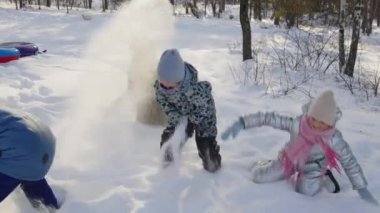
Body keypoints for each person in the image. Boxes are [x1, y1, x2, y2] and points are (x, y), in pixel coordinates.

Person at [221, 90, 378, 205]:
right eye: (314, 118)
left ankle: (325, 175)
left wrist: (361, 187)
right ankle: (266, 164)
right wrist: (242, 123)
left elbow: (349, 161)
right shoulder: (297, 124)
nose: (316, 124)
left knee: (306, 192)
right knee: (258, 177)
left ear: (330, 123)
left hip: (314, 166)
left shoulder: (333, 138)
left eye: (322, 122)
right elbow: (269, 118)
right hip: (289, 159)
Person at [154, 48, 221, 173]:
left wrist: (191, 120)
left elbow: (204, 108)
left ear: (179, 81)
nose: (166, 89)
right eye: (163, 85)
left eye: (171, 86)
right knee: (168, 142)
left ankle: (211, 157)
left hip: (204, 119)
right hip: (180, 115)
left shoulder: (195, 90)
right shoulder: (160, 89)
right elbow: (165, 104)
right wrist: (177, 117)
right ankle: (168, 171)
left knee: (208, 156)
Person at [0, 108, 60, 211]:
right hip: (43, 141)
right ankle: (50, 207)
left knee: (20, 166)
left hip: (24, 147)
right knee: (29, 174)